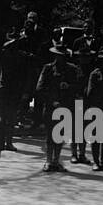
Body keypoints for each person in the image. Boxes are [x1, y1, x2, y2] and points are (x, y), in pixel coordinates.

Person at [35, 43, 76, 172]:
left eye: (63, 56)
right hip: (51, 107)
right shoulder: (47, 69)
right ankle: (48, 161)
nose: (60, 58)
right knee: (49, 135)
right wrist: (51, 100)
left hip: (65, 107)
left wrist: (68, 87)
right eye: (58, 56)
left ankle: (56, 160)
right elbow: (39, 88)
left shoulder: (72, 69)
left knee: (60, 135)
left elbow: (77, 87)